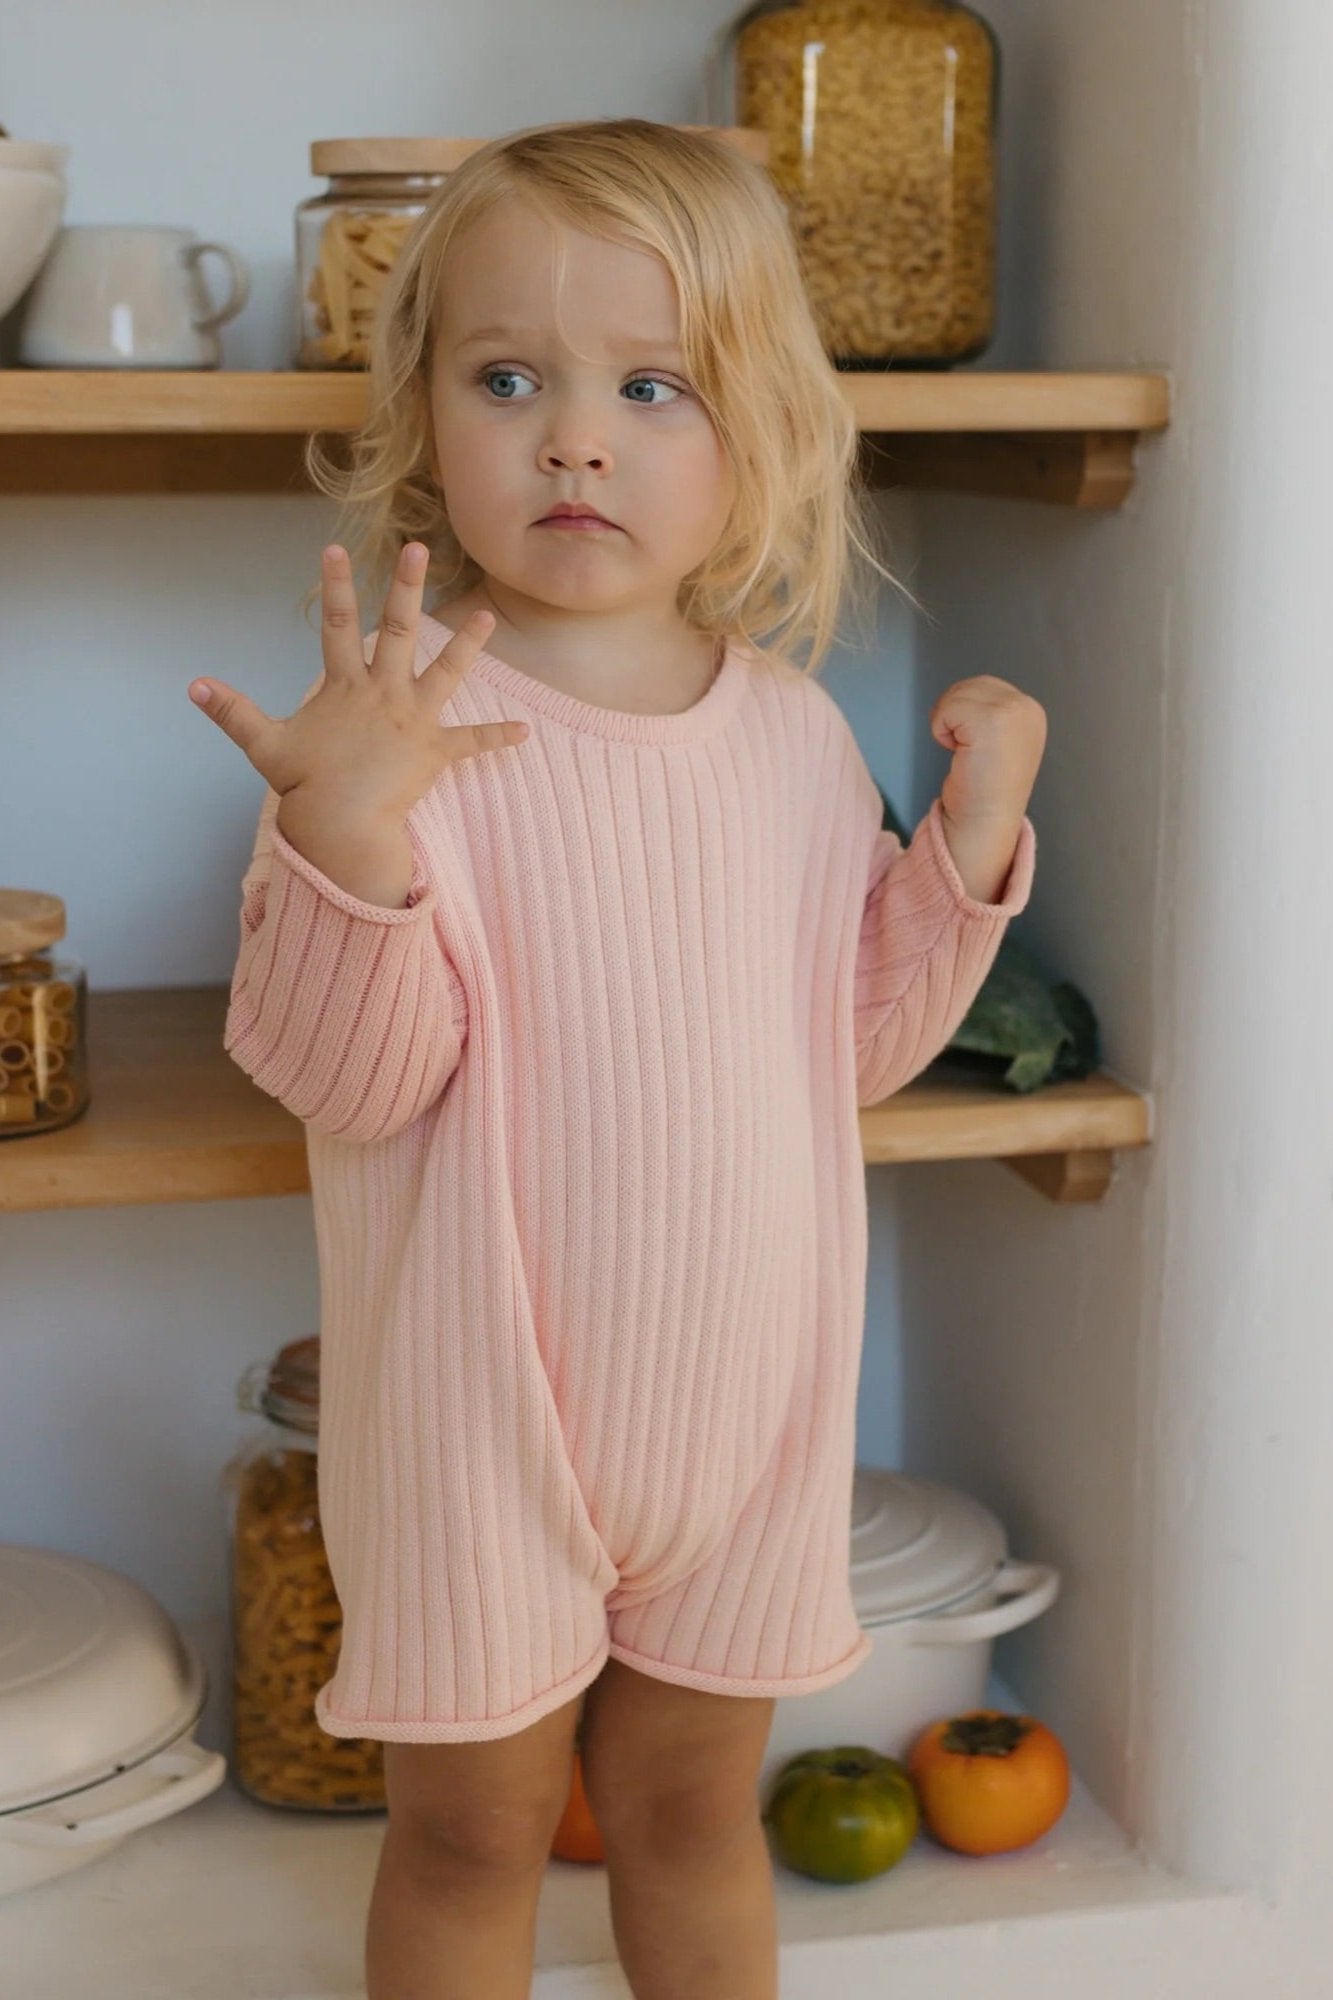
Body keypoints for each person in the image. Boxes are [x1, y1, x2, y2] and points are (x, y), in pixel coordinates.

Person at [190, 118, 1045, 2000]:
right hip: (476, 1424)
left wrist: (963, 859)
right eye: (510, 379)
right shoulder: (393, 738)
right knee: (470, 1831)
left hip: (739, 1413)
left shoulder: (797, 741)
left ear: (757, 436)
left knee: (684, 1819)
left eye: (650, 385)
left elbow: (854, 1053)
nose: (575, 435)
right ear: (424, 417)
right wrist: (348, 839)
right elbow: (352, 1078)